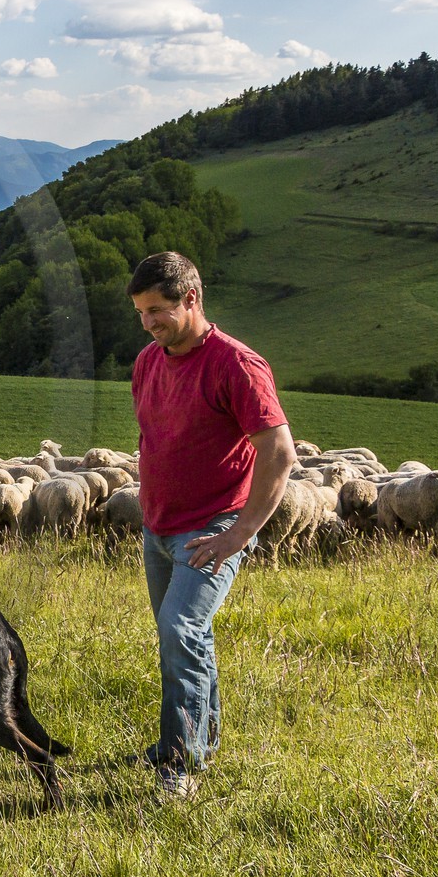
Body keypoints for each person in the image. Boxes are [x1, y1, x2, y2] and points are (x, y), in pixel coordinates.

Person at [127, 252, 293, 799]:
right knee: (181, 636)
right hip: (159, 525)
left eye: (158, 311)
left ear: (190, 299)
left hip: (211, 527)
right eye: (141, 313)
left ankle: (180, 762)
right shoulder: (148, 362)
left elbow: (278, 452)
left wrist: (237, 535)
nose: (149, 323)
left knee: (181, 630)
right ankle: (197, 738)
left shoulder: (237, 365)